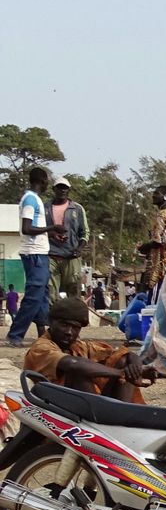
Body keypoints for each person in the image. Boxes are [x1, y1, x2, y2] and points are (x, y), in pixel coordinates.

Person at [22, 295, 156, 402]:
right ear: (51, 322)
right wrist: (121, 373)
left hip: (79, 402)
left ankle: (122, 415)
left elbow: (125, 354)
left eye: (75, 328)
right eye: (64, 325)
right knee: (78, 370)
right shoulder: (41, 347)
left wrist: (136, 368)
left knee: (123, 360)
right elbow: (73, 364)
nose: (69, 332)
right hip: (52, 405)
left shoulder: (77, 346)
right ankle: (102, 418)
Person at [8, 167, 53, 344]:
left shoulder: (35, 200)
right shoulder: (30, 200)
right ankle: (15, 334)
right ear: (42, 181)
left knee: (43, 295)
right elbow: (27, 228)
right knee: (34, 295)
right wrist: (52, 228)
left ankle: (43, 334)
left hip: (40, 252)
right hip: (34, 253)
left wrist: (51, 233)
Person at [45, 178, 89, 306]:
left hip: (71, 256)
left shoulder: (77, 209)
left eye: (65, 188)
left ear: (69, 190)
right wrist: (51, 235)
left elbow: (85, 232)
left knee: (73, 290)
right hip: (51, 255)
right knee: (50, 291)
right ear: (54, 189)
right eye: (59, 187)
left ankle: (73, 321)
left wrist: (79, 249)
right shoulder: (45, 208)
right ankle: (52, 322)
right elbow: (40, 230)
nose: (62, 190)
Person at [137, 185, 166, 294]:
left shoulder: (161, 216)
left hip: (158, 267)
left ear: (165, 197)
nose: (153, 196)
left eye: (156, 193)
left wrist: (143, 247)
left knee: (154, 300)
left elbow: (157, 241)